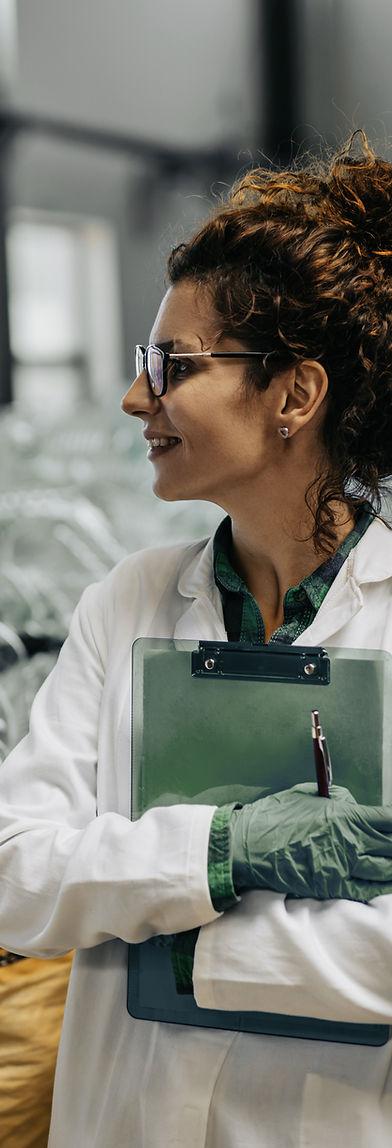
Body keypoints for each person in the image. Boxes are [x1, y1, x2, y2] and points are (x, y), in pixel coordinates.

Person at [1, 130, 392, 1148]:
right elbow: (14, 876)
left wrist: (147, 923)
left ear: (293, 395)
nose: (137, 396)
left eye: (170, 364)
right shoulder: (122, 600)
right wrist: (222, 851)